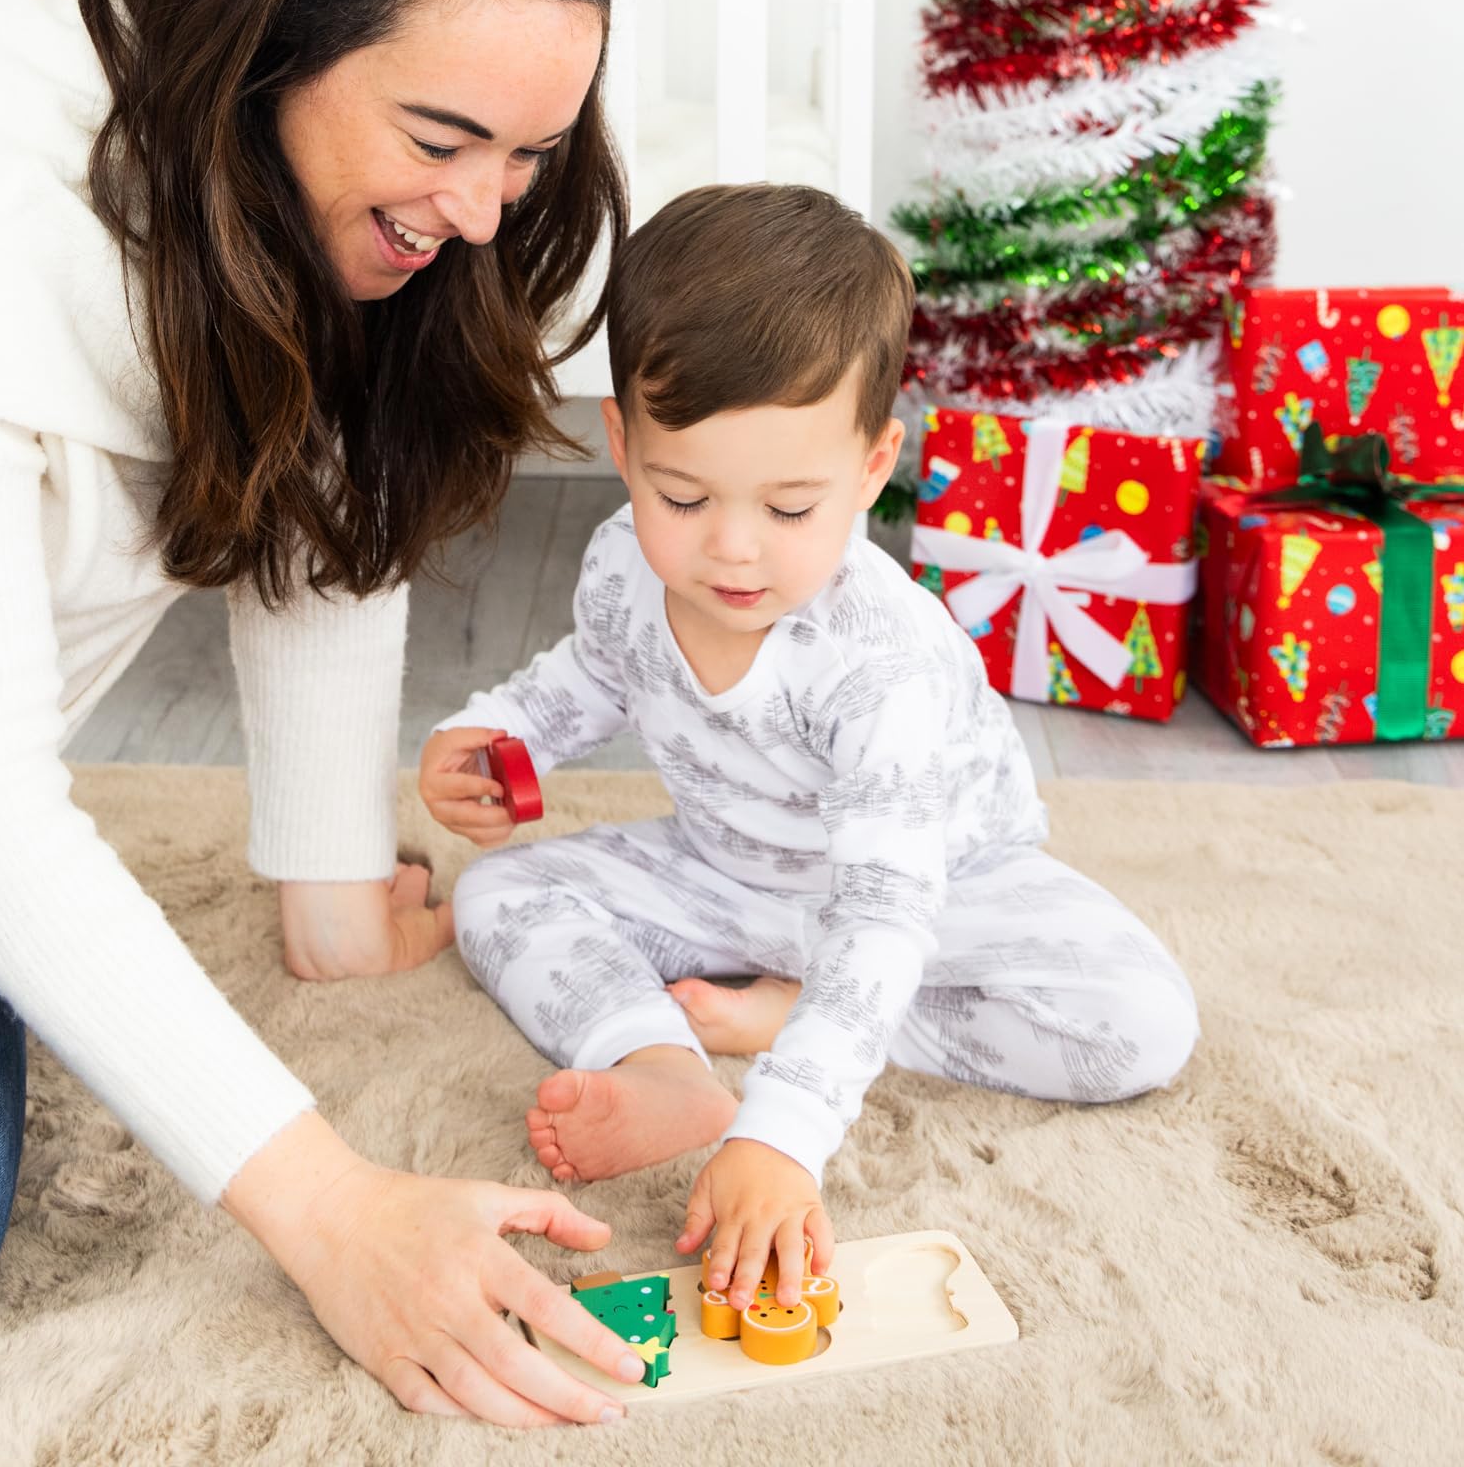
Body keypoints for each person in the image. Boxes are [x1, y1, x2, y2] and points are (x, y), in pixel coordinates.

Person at [0, 0, 655, 1426]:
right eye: (445, 138)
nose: (478, 213)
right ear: (273, 40)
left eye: (527, 155)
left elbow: (326, 480)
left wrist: (321, 875)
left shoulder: (302, 193)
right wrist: (333, 1213)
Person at [422, 183, 1201, 1316]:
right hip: (727, 876)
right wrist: (495, 735)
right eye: (682, 493)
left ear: (873, 464)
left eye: (792, 509)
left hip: (930, 891)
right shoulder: (622, 566)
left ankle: (793, 1012)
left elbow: (886, 912)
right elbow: (589, 676)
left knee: (1140, 1022)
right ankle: (662, 1064)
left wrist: (786, 1129)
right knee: (497, 894)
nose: (733, 550)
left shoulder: (875, 658)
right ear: (623, 444)